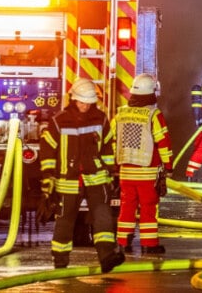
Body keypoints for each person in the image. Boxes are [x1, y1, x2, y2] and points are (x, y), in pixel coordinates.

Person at [39, 78, 124, 272]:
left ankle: (107, 257)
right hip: (67, 180)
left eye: (88, 102)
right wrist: (48, 175)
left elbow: (107, 147)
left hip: (96, 178)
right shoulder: (59, 121)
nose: (85, 106)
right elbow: (47, 149)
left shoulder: (100, 119)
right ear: (74, 100)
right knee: (65, 221)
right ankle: (60, 261)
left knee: (103, 217)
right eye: (82, 102)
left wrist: (110, 172)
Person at [112, 73, 174, 256]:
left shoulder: (121, 114)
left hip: (125, 172)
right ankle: (149, 244)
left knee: (126, 207)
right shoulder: (154, 115)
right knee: (148, 208)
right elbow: (163, 142)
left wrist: (114, 164)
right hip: (147, 172)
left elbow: (112, 140)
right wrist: (168, 166)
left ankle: (123, 243)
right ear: (151, 94)